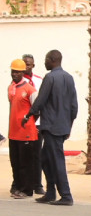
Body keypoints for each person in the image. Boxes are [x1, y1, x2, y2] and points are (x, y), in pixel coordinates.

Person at [22, 50, 78, 206]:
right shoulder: (69, 78)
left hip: (51, 126)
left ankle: (66, 196)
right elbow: (74, 106)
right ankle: (51, 193)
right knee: (45, 159)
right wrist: (69, 126)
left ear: (53, 60)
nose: (44, 63)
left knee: (56, 161)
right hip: (62, 126)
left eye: (46, 60)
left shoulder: (50, 77)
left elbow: (40, 100)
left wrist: (29, 115)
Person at [8, 59, 38, 199]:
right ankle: (18, 187)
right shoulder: (11, 88)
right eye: (13, 71)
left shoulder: (29, 89)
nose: (15, 74)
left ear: (23, 73)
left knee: (26, 163)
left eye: (18, 72)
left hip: (26, 133)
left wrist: (28, 123)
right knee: (15, 162)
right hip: (13, 132)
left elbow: (37, 110)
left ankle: (27, 190)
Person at [22, 53, 45, 195]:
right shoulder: (18, 81)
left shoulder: (39, 80)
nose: (26, 67)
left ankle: (37, 184)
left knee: (37, 154)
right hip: (24, 123)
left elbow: (42, 101)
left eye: (28, 64)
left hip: (37, 123)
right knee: (24, 154)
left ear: (33, 65)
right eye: (23, 64)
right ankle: (25, 184)